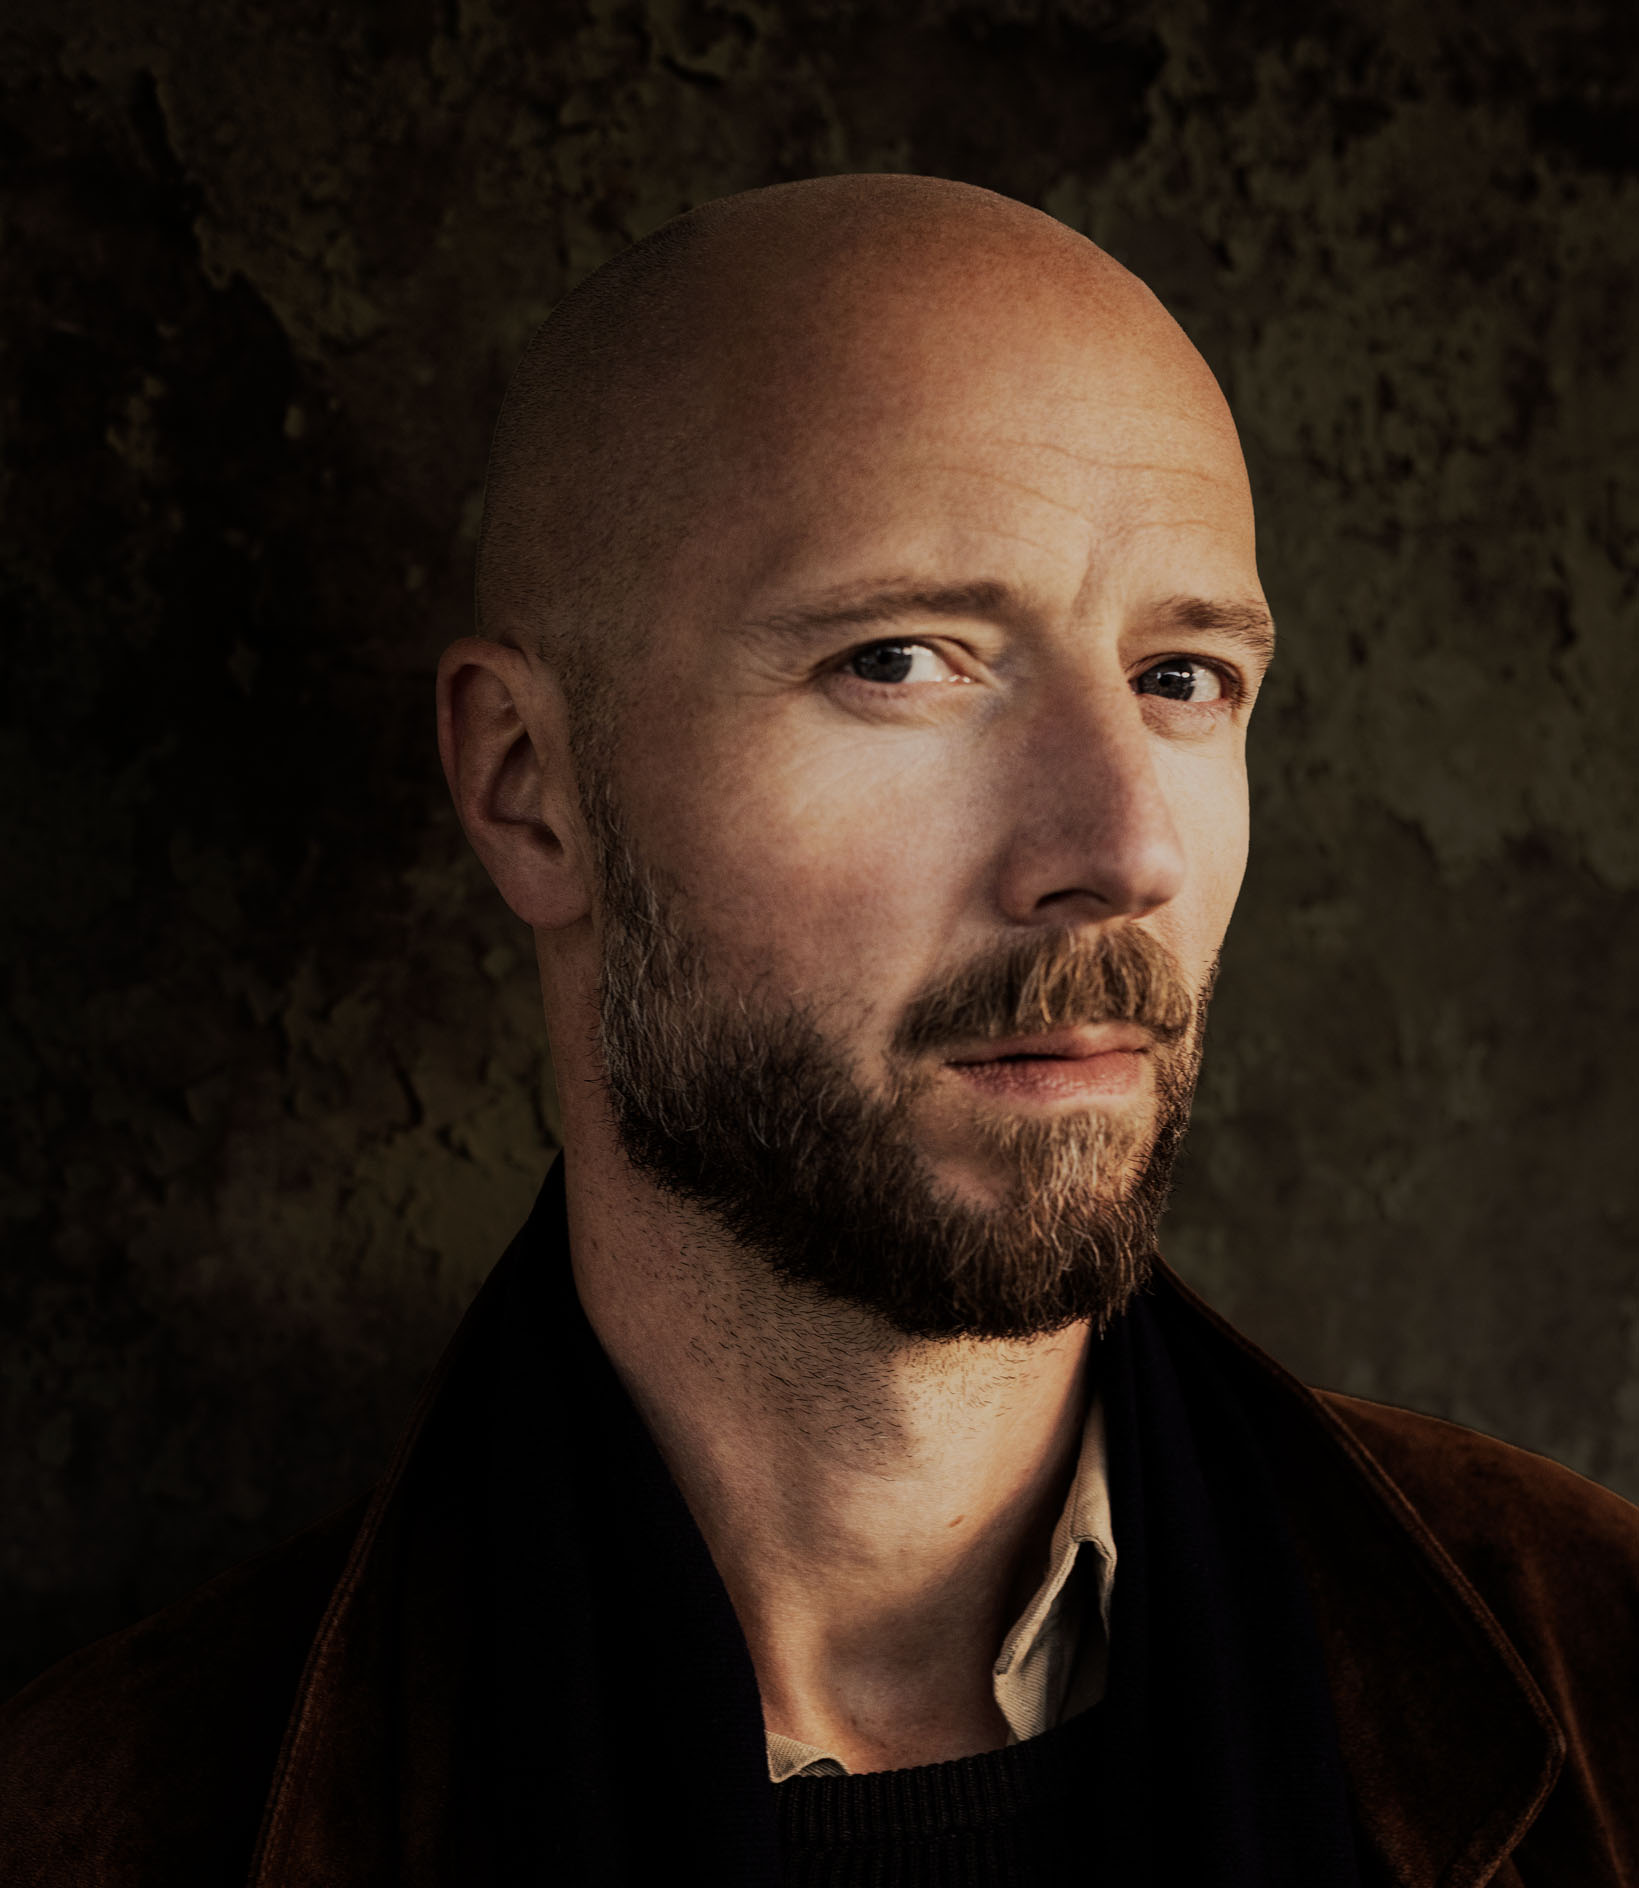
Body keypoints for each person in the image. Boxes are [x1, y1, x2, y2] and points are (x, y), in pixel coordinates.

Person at [1, 174, 1634, 1887]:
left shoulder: (1601, 1682)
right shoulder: (109, 1827)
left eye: (1180, 679)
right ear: (529, 785)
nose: (1121, 850)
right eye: (900, 661)